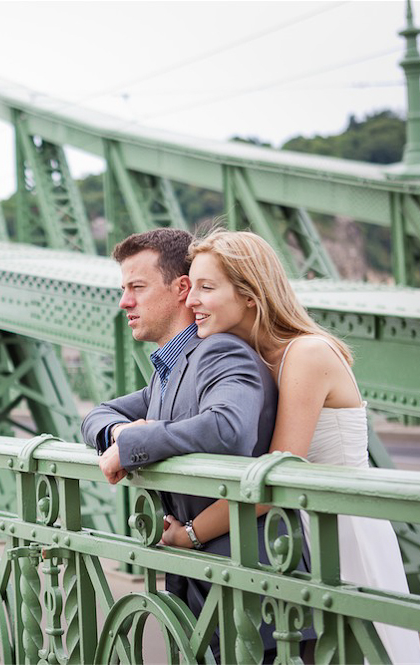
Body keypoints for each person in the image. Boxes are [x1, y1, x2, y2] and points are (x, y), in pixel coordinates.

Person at [160, 229, 420, 663]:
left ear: (250, 295)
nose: (191, 300)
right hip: (292, 536)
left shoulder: (307, 354)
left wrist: (190, 534)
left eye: (206, 287)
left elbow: (275, 476)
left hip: (338, 532)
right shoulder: (249, 359)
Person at [80, 227, 297, 661]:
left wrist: (136, 440)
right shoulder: (170, 369)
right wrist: (121, 434)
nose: (124, 302)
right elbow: (96, 416)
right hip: (209, 579)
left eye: (137, 287)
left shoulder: (220, 352)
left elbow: (228, 429)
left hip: (250, 584)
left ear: (180, 289)